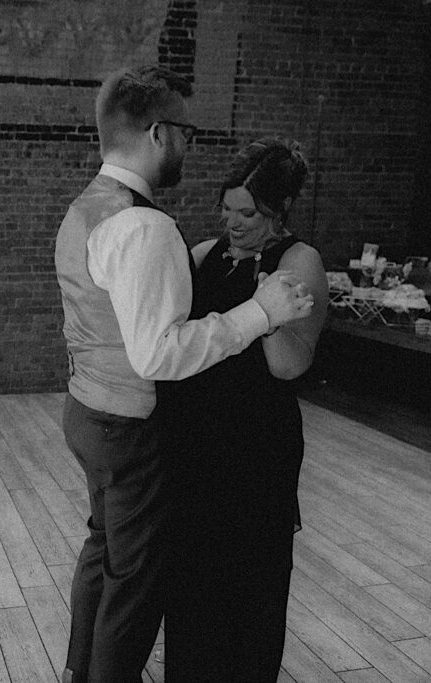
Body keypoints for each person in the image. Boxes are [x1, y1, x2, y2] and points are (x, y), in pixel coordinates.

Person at [54, 67, 315, 683]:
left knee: (105, 556)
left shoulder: (85, 207)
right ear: (156, 134)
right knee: (135, 585)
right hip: (128, 424)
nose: (187, 146)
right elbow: (156, 354)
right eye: (184, 132)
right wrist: (259, 312)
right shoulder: (145, 226)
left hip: (88, 409)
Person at [157, 136, 328, 681]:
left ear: (279, 211)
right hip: (195, 441)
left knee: (251, 582)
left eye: (248, 213)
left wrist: (268, 311)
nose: (234, 222)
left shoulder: (300, 261)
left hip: (257, 446)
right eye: (227, 210)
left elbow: (289, 365)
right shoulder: (206, 255)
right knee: (192, 580)